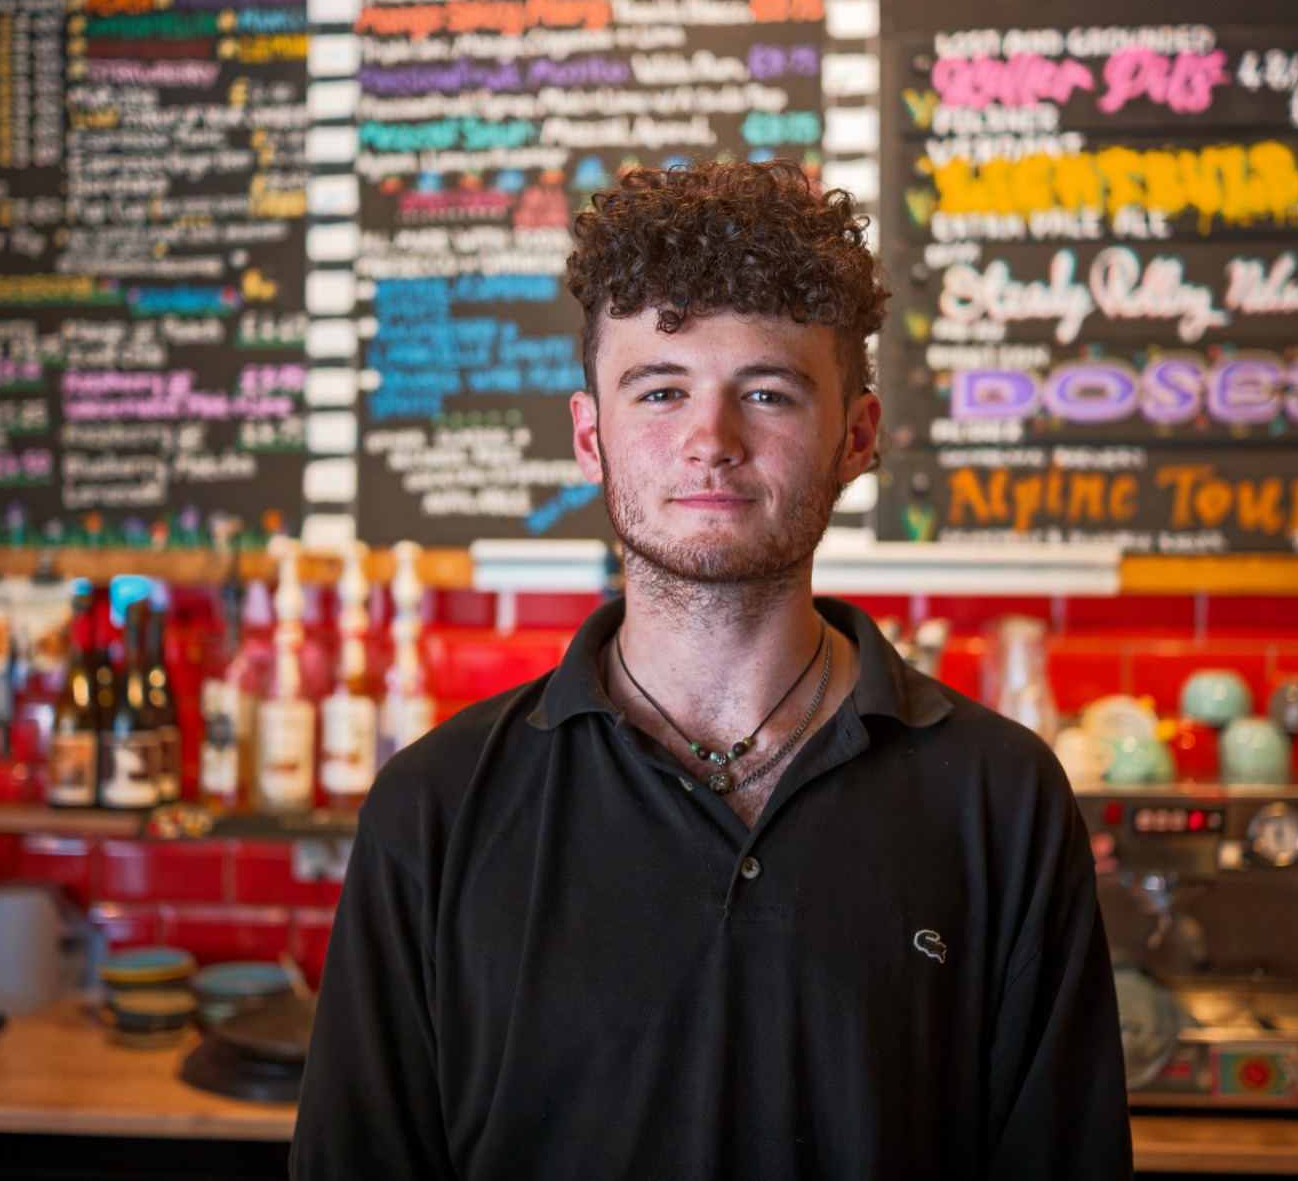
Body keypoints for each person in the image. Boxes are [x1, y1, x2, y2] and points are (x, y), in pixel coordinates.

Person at [293, 160, 1132, 1179]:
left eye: (767, 391)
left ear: (854, 437)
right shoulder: (434, 809)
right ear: (589, 436)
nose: (709, 441)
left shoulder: (999, 799)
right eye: (659, 388)